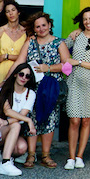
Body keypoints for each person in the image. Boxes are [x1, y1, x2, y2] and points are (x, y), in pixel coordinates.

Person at [15, 11, 70, 168]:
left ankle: (46, 155)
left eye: (43, 25)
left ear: (50, 25)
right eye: (37, 26)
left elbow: (67, 67)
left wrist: (49, 68)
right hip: (31, 87)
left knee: (49, 120)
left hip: (51, 88)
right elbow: (19, 61)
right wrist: (6, 80)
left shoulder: (59, 43)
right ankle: (31, 155)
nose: (41, 29)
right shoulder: (30, 42)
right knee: (31, 118)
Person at [64, 7, 90, 169]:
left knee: (86, 120)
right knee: (74, 120)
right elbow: (61, 47)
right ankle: (71, 157)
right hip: (74, 81)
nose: (88, 21)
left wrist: (78, 62)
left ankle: (80, 156)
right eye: (85, 19)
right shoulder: (76, 36)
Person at [0, 62, 39, 176]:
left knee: (22, 148)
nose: (23, 78)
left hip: (10, 126)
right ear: (15, 74)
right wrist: (28, 120)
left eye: (27, 76)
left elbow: (22, 115)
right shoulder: (4, 89)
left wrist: (8, 121)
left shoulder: (30, 94)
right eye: (21, 74)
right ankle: (5, 163)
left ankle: (3, 153)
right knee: (16, 124)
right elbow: (7, 111)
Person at [0, 0, 26, 95]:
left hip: (21, 71)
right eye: (7, 11)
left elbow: (27, 56)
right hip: (2, 70)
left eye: (13, 10)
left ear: (18, 12)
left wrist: (7, 56)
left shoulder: (26, 32)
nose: (11, 13)